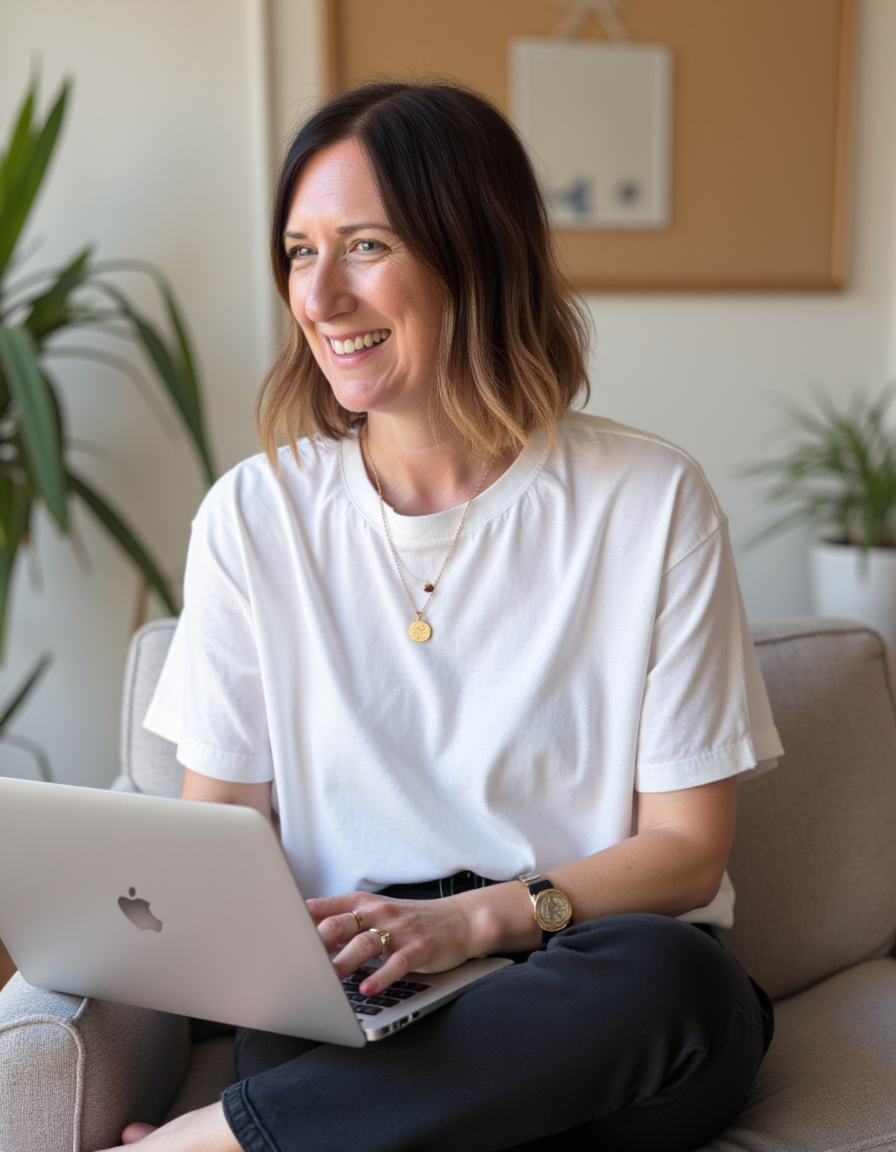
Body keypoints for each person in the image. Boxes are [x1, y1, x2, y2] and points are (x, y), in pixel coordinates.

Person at [105, 81, 782, 1152]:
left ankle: (223, 1144)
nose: (318, 296)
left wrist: (473, 920)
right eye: (296, 252)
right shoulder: (253, 513)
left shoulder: (649, 501)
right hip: (356, 990)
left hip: (584, 970)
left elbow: (686, 854)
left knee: (679, 983)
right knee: (348, 1068)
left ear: (475, 253)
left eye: (363, 245)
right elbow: (220, 835)